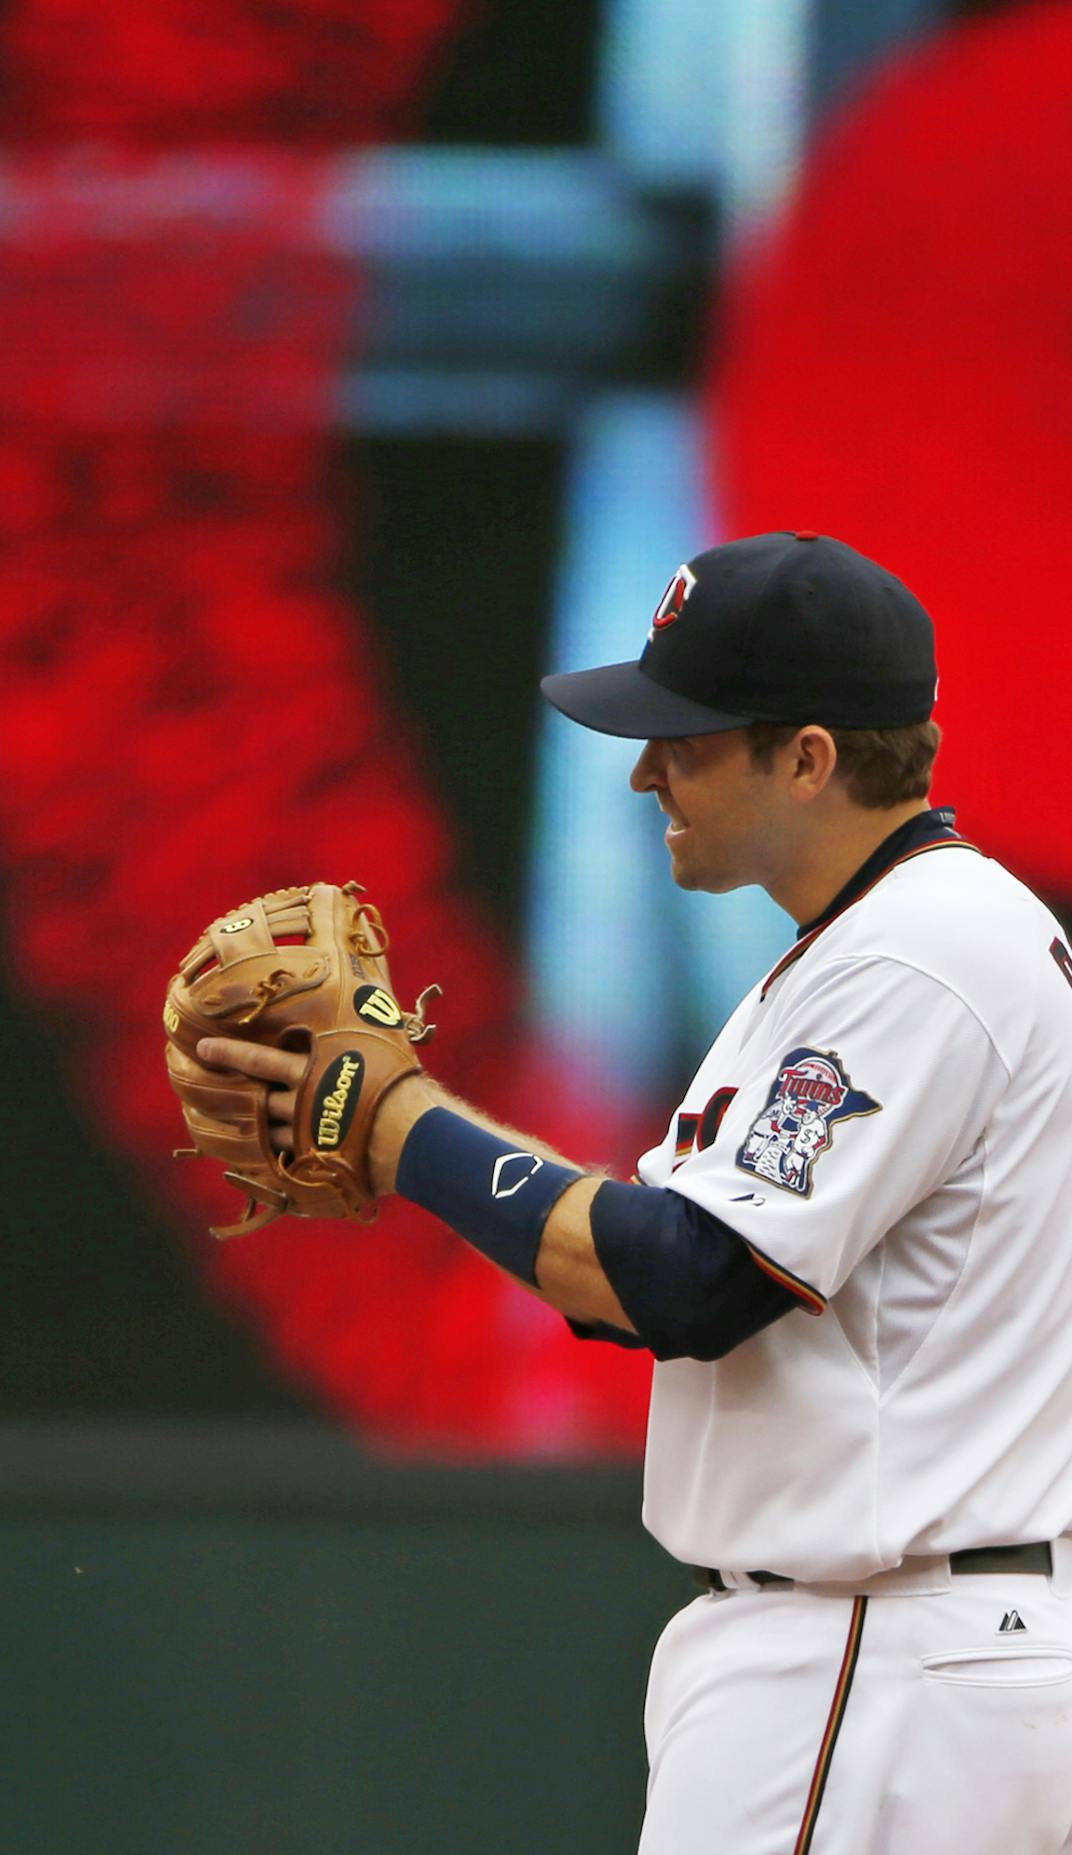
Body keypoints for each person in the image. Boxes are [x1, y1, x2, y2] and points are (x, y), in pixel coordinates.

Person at [197, 531, 1072, 1853]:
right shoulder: (877, 950)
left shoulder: (923, 954)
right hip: (889, 1648)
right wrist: (397, 1134)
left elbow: (682, 1279)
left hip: (872, 1655)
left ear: (811, 756)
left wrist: (399, 1125)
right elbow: (627, 1278)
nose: (646, 770)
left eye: (690, 738)